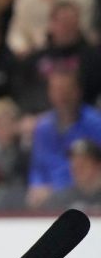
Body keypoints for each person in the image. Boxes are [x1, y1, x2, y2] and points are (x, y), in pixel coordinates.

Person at [25, 70, 101, 210]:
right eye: (56, 90)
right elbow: (38, 167)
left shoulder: (96, 123)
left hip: (87, 193)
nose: (61, 96)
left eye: (66, 90)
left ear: (77, 91)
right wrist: (37, 185)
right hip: (52, 196)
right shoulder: (43, 127)